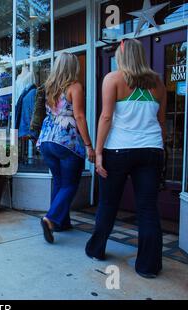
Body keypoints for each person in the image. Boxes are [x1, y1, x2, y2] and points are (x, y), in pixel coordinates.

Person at [85, 39, 167, 279]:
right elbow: (161, 122)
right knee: (148, 208)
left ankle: (96, 250)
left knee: (109, 204)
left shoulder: (113, 79)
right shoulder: (158, 83)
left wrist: (98, 153)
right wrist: (158, 147)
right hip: (151, 150)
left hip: (118, 151)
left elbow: (106, 118)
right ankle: (148, 267)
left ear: (122, 56)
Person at [36, 52, 95, 244]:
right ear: (73, 67)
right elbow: (79, 117)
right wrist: (88, 145)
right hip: (66, 141)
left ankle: (61, 222)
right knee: (70, 184)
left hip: (46, 141)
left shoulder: (49, 87)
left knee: (59, 182)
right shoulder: (75, 87)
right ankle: (51, 218)